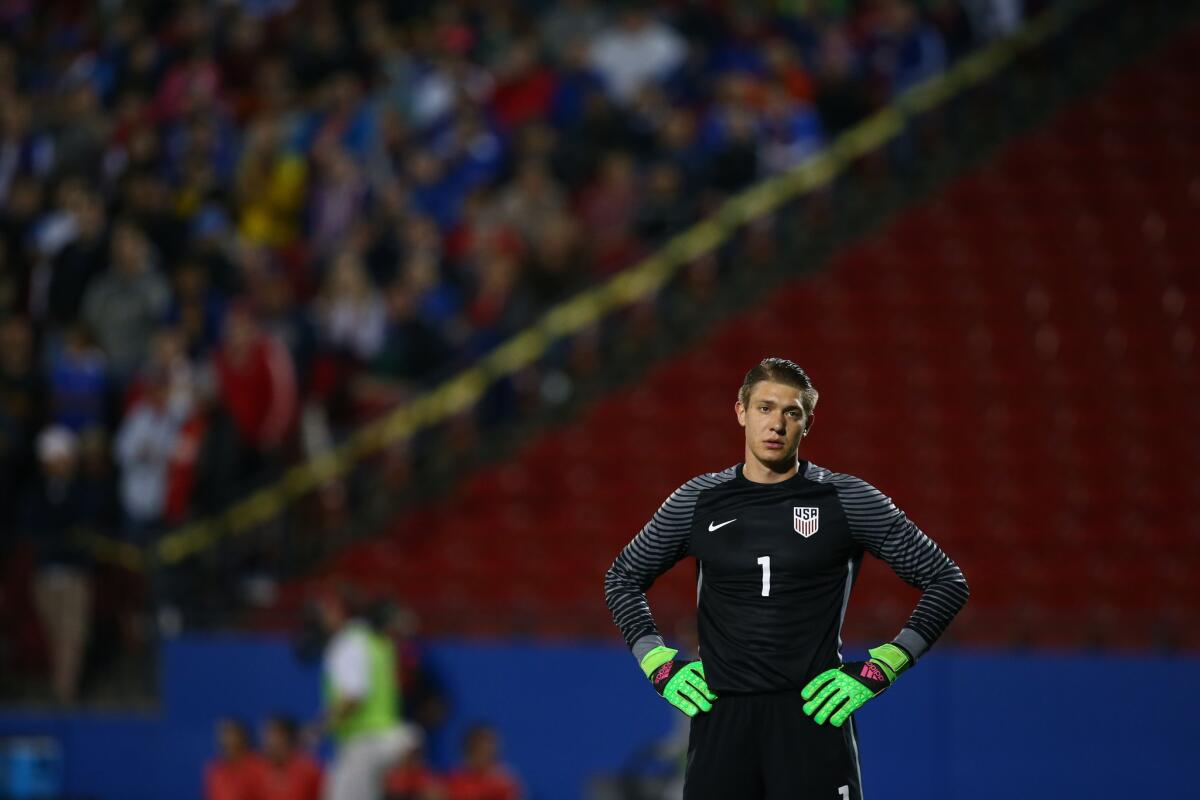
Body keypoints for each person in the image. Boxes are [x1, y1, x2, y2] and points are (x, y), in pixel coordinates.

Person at [604, 358, 970, 799]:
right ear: (740, 411)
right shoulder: (697, 500)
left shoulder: (846, 499)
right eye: (764, 408)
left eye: (791, 412)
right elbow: (622, 577)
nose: (776, 423)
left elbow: (947, 581)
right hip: (721, 719)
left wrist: (882, 667)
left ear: (808, 423)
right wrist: (657, 664)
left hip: (814, 715)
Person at [317, 585, 419, 800]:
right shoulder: (377, 641)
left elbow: (353, 696)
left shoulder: (346, 643)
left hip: (364, 743)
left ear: (341, 611)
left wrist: (319, 726)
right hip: (388, 737)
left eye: (327, 610)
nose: (323, 616)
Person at [442, 724, 522, 800]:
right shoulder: (451, 780)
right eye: (478, 749)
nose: (482, 756)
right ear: (468, 750)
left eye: (488, 751)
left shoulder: (505, 782)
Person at [260, 715, 322, 800]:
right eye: (266, 735)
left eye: (274, 735)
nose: (268, 742)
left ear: (287, 738)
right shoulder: (257, 772)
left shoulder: (309, 771)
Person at [204, 718, 265, 800]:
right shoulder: (215, 770)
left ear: (243, 737)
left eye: (232, 735)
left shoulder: (260, 765)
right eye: (223, 735)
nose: (228, 740)